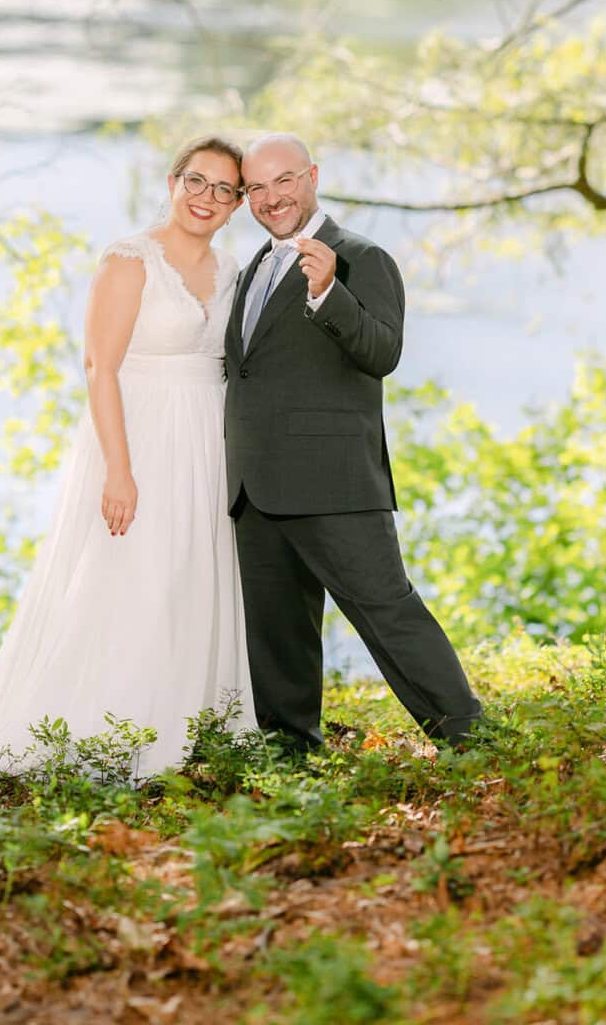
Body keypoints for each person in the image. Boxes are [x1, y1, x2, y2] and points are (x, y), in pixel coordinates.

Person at [0, 136, 256, 780]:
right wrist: (119, 470)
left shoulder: (234, 270)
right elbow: (99, 367)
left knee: (192, 569)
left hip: (206, 439)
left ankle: (192, 717)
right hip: (138, 437)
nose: (207, 198)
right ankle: (114, 728)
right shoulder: (130, 259)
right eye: (197, 181)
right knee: (134, 573)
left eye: (225, 190)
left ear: (238, 204)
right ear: (172, 182)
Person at [225, 132, 482, 752]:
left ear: (312, 176)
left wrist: (327, 293)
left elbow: (383, 353)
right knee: (277, 631)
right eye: (256, 188)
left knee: (389, 613)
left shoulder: (363, 257)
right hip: (254, 488)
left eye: (283, 180)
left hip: (335, 481)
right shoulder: (249, 269)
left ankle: (473, 741)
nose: (270, 197)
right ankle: (292, 756)